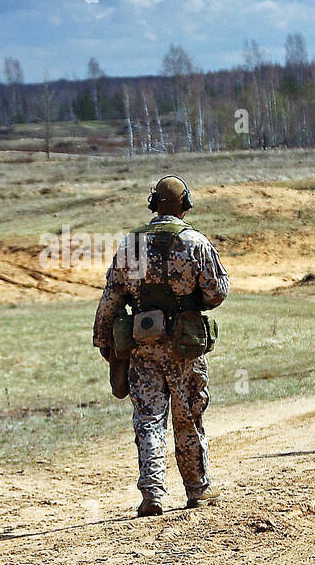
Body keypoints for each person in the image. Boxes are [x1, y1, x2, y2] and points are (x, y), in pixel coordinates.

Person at [93, 176, 229, 515]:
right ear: (185, 205)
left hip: (143, 344)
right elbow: (217, 292)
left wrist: (102, 338)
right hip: (184, 346)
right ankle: (197, 489)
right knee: (188, 416)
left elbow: (112, 296)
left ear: (154, 204)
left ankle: (152, 494)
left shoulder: (130, 244)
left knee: (149, 418)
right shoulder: (195, 242)